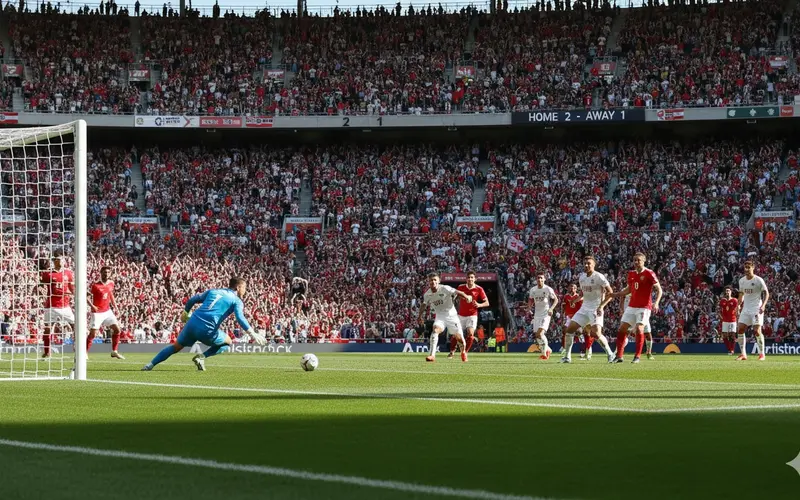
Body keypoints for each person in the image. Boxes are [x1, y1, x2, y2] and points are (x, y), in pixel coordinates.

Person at [142, 277, 266, 371]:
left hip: (192, 323)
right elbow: (240, 317)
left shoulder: (213, 291)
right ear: (238, 288)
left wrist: (186, 313)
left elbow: (192, 300)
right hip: (207, 329)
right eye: (244, 287)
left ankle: (149, 365)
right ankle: (201, 357)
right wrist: (252, 333)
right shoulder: (236, 300)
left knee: (175, 347)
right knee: (228, 342)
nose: (245, 290)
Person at [561, 256, 616, 363]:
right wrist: (576, 300)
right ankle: (567, 357)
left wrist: (601, 306)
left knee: (596, 334)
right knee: (569, 330)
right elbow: (583, 293)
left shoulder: (599, 277)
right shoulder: (582, 277)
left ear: (594, 265)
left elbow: (611, 293)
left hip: (596, 308)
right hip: (584, 308)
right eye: (585, 263)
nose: (586, 265)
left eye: (589, 263)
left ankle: (610, 354)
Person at [611, 252, 662, 364]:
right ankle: (619, 356)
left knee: (640, 329)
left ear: (644, 261)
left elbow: (659, 289)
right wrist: (615, 294)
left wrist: (656, 302)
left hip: (644, 307)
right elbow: (628, 290)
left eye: (638, 260)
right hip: (631, 306)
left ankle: (637, 356)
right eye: (635, 260)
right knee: (621, 329)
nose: (636, 262)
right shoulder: (631, 274)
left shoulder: (649, 273)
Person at [418, 272, 473, 362]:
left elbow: (457, 292)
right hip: (440, 316)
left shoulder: (445, 288)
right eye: (431, 280)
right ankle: (432, 355)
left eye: (435, 279)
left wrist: (466, 296)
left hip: (451, 315)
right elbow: (424, 305)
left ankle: (463, 352)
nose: (433, 282)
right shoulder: (427, 294)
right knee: (435, 331)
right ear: (429, 282)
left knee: (459, 338)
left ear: (439, 281)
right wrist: (419, 316)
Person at [39, 255, 74, 359]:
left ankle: (77, 347)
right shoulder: (48, 273)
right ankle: (47, 352)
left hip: (65, 306)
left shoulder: (68, 273)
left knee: (76, 326)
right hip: (51, 306)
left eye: (62, 259)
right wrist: (41, 291)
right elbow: (41, 284)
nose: (61, 261)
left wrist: (75, 295)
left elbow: (71, 287)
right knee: (47, 330)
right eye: (58, 259)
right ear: (54, 261)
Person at [86, 266, 125, 360]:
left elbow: (111, 295)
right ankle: (84, 352)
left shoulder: (111, 283)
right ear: (101, 273)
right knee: (93, 334)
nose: (106, 274)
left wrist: (116, 308)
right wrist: (92, 306)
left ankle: (114, 351)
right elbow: (86, 296)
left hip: (107, 311)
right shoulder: (95, 285)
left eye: (108, 272)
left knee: (117, 329)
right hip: (97, 312)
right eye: (104, 272)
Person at [448, 270, 489, 359]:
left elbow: (487, 303)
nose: (470, 279)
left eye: (472, 277)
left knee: (470, 334)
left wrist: (479, 304)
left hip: (472, 315)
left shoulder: (479, 289)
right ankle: (452, 351)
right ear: (466, 279)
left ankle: (464, 352)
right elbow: (455, 297)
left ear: (475, 279)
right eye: (468, 277)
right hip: (461, 315)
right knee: (456, 334)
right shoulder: (461, 287)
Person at [736, 261, 769, 361]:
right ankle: (743, 354)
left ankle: (762, 354)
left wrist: (763, 306)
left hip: (756, 309)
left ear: (753, 268)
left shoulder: (758, 280)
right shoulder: (741, 281)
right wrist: (738, 305)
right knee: (740, 329)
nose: (746, 269)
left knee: (757, 331)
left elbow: (766, 293)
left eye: (748, 267)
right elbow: (741, 295)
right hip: (746, 309)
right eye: (745, 267)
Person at [528, 273, 558, 360]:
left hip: (546, 314)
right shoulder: (533, 290)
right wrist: (529, 308)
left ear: (544, 279)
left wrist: (551, 308)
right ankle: (548, 350)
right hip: (537, 315)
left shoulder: (548, 289)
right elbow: (530, 300)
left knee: (540, 334)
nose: (539, 279)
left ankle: (544, 354)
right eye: (538, 278)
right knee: (537, 336)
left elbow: (556, 299)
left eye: (541, 278)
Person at [622, 293, 654, 360]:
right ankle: (618, 352)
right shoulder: (626, 290)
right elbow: (622, 299)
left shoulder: (641, 289)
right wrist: (621, 310)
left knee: (647, 333)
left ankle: (649, 352)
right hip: (631, 314)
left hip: (642, 312)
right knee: (625, 333)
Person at [719, 286, 738, 355]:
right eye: (726, 291)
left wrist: (737, 319)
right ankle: (729, 349)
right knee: (724, 335)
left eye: (728, 291)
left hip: (732, 320)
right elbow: (719, 310)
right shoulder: (722, 300)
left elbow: (737, 310)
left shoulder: (734, 300)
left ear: (731, 292)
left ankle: (732, 350)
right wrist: (720, 317)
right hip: (725, 320)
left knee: (732, 335)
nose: (727, 292)